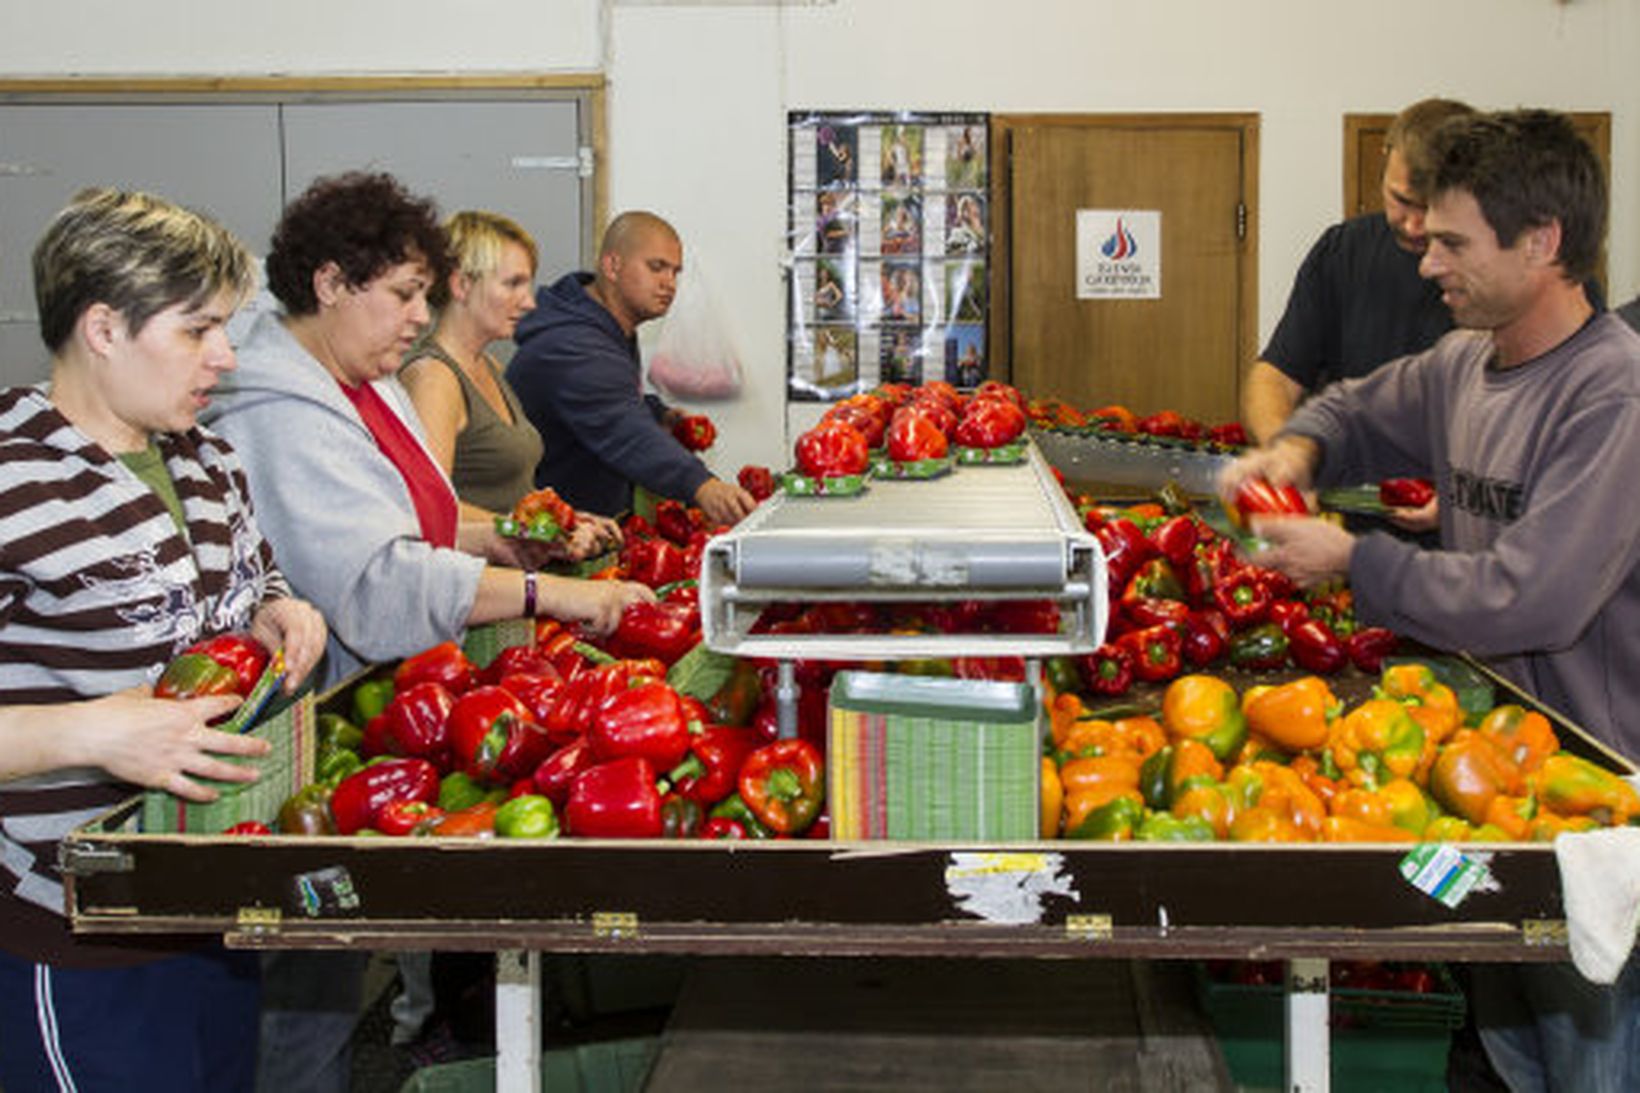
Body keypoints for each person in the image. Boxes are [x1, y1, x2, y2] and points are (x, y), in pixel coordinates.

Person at [1220, 109, 1640, 1093]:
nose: (1423, 263)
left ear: (1540, 242)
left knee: (1590, 1069)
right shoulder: (1464, 364)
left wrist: (1351, 560)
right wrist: (1298, 447)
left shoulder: (1609, 396)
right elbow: (1353, 405)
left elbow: (1527, 598)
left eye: (1451, 241)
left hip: (1597, 820)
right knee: (1508, 1060)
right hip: (1497, 789)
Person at [204, 171, 652, 1092]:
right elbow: (375, 578)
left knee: (327, 960)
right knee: (304, 983)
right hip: (301, 721)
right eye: (402, 294)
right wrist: (543, 594)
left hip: (364, 711)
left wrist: (515, 535)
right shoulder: (286, 415)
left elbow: (427, 518)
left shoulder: (361, 388)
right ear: (330, 284)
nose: (420, 315)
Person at [0, 188, 328, 1092]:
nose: (224, 356)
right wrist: (90, 732)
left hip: (210, 907)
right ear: (103, 328)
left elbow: (248, 577)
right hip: (69, 935)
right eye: (197, 331)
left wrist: (277, 608)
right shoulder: (11, 476)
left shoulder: (205, 456)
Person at [1243, 98, 1476, 449]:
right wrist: (1285, 451)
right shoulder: (1343, 250)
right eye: (1401, 200)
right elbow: (1276, 376)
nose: (1414, 226)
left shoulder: (1504, 268)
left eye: (1429, 209)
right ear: (1386, 157)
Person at [506, 211, 757, 525]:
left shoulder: (604, 327)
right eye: (656, 267)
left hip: (583, 525)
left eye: (675, 272)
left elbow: (606, 399)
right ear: (612, 266)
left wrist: (656, 413)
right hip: (546, 536)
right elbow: (624, 432)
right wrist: (702, 485)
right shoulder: (573, 344)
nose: (669, 284)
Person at [399, 210, 618, 551]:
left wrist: (569, 521)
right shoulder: (435, 379)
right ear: (461, 285)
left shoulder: (489, 366)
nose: (529, 302)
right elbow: (429, 509)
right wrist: (548, 532)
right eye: (513, 284)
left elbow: (514, 501)